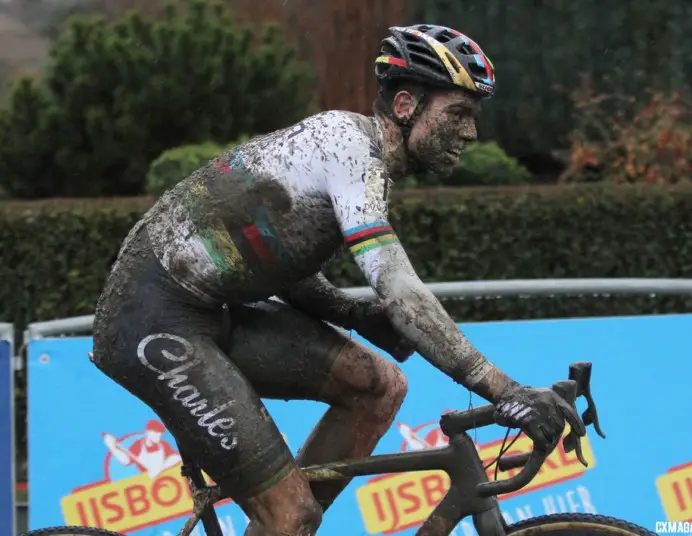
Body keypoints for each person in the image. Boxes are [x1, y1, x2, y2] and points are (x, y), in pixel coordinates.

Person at [91, 24, 585, 536]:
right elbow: (399, 289)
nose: (470, 133)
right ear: (404, 105)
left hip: (207, 309)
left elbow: (274, 258)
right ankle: (285, 519)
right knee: (292, 513)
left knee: (379, 385)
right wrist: (504, 390)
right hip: (152, 318)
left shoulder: (355, 158)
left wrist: (348, 313)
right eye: (458, 113)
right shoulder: (348, 149)